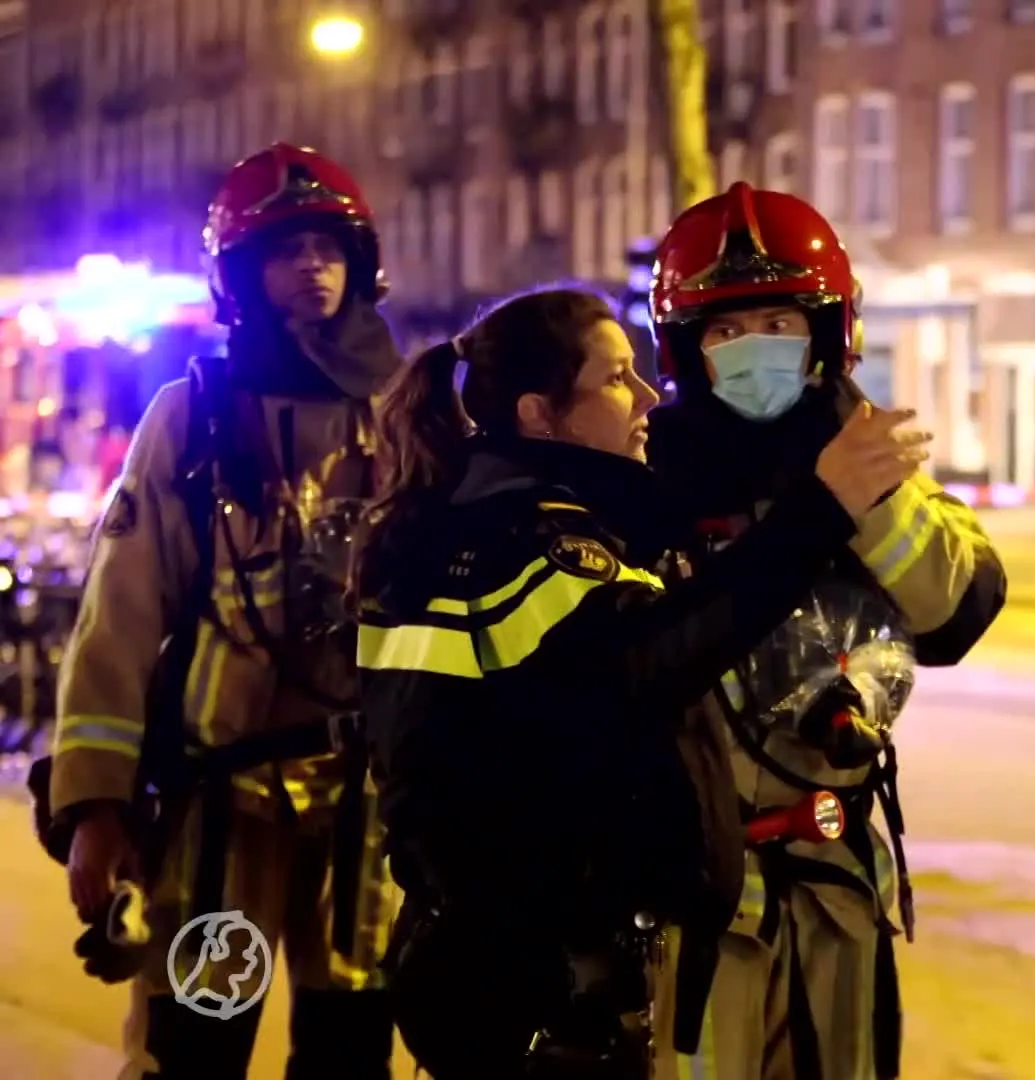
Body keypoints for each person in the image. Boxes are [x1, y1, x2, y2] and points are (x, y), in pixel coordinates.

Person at [352, 287, 923, 1078]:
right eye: (618, 379)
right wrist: (821, 509)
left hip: (503, 962)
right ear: (539, 415)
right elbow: (649, 660)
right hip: (525, 980)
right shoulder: (525, 542)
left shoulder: (484, 518)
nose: (649, 395)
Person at [38, 143, 404, 1078]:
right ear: (244, 276)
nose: (314, 267)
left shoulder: (407, 415)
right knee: (197, 1044)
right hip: (221, 805)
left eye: (329, 248)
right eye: (288, 252)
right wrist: (95, 805)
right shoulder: (190, 416)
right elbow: (117, 622)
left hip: (368, 798)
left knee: (350, 1051)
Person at [641, 181, 1006, 1080]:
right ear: (687, 350)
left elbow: (953, 613)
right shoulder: (646, 485)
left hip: (837, 882)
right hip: (698, 899)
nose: (752, 348)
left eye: (776, 320)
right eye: (725, 331)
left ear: (827, 334)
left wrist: (867, 492)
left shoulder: (872, 459)